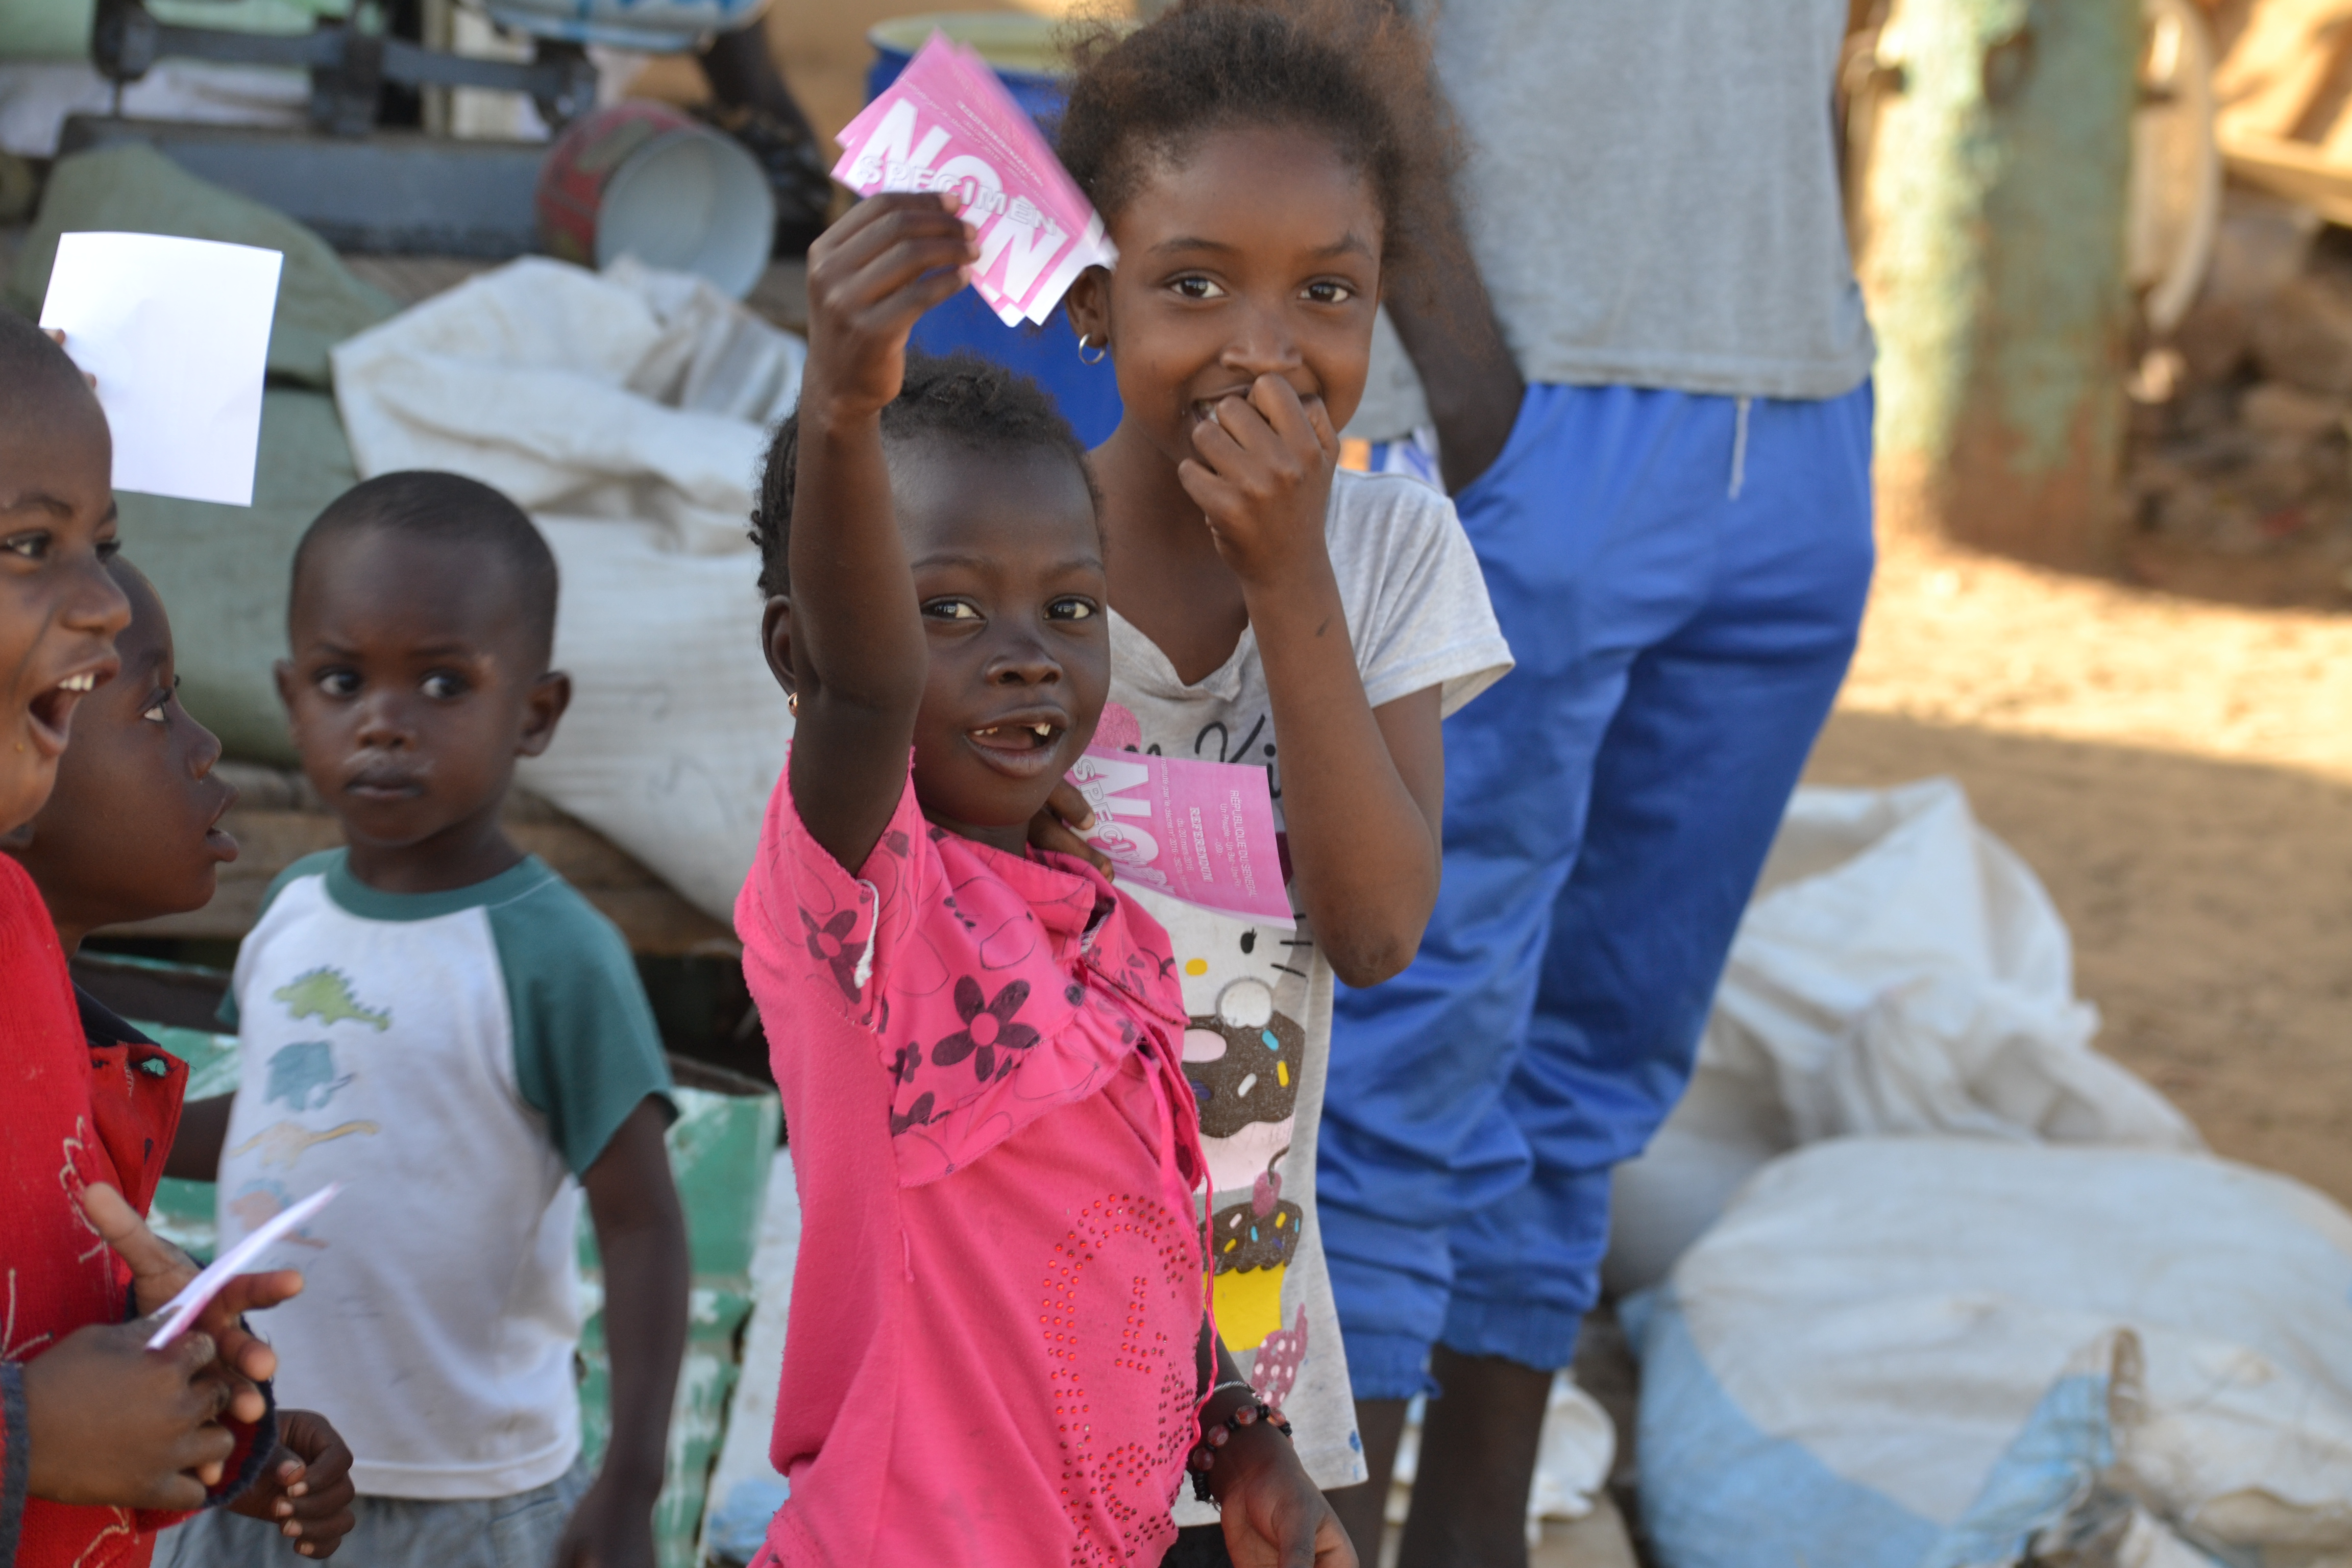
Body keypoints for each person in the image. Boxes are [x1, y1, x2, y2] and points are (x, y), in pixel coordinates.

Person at [1315, 0, 1881, 1559]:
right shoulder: (1506, 417)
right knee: (1413, 1019)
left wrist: (1826, 324)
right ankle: (1318, 1534)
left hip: (1800, 415)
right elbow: (1329, 25)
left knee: (1606, 1043)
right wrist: (1477, 386)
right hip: (1534, 398)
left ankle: (1476, 1532)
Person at [736, 190, 1350, 1567]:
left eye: (1068, 608)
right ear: (800, 652)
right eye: (945, 607)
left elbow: (1133, 1237)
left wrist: (1242, 1437)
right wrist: (840, 409)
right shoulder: (865, 918)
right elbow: (864, 689)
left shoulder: (1110, 931)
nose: (1023, 652)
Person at [1050, 4, 1512, 1557]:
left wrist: (1290, 577)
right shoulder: (1007, 547)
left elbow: (1378, 932)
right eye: (1193, 285)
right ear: (1093, 304)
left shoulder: (1388, 554)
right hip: (994, 1315)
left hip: (1236, 1346)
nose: (1264, 344)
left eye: (1328, 291)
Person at [160, 472, 690, 1568]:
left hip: (469, 1501)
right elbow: (277, 1116)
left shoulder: (554, 954)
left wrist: (632, 1479)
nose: (385, 724)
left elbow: (642, 1223)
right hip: (259, 1467)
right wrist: (99, 1126)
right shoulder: (290, 913)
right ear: (291, 696)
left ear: (535, 713)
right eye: (343, 680)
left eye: (444, 683)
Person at [0, 311, 309, 1568]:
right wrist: (31, 1438)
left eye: (104, 545)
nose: (104, 608)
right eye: (31, 545)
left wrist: (189, 1388)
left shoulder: (16, 933)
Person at [8, 552, 362, 1560]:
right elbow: (43, 1421)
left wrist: (204, 1426)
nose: (207, 749)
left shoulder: (92, 1075)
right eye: (156, 707)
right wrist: (32, 1434)